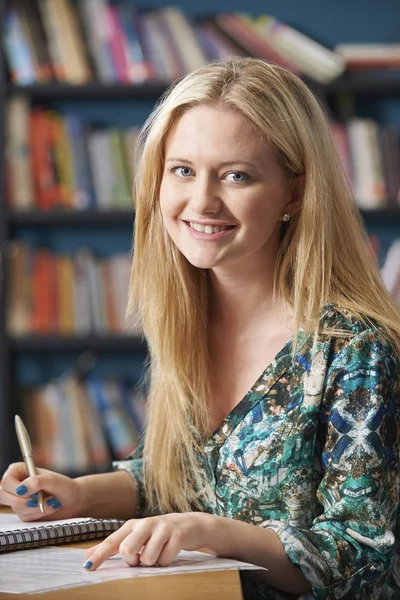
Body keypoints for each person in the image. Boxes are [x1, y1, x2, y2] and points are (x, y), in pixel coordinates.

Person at [1, 57, 400, 600]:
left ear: (295, 193)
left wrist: (209, 532)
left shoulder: (356, 348)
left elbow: (362, 552)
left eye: (237, 175)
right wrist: (78, 495)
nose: (202, 202)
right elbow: (175, 476)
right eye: (183, 170)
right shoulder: (185, 314)